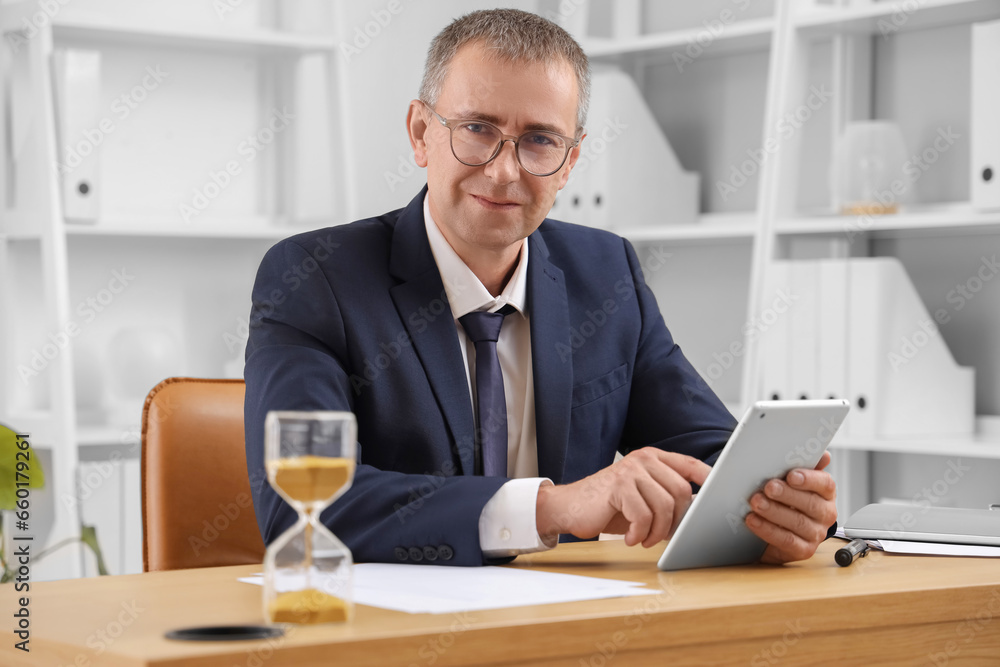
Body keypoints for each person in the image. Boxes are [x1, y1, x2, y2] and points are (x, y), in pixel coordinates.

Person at [244, 8, 837, 567]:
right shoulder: (314, 277)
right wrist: (551, 507)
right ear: (421, 132)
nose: (505, 171)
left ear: (571, 161)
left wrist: (769, 508)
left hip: (572, 622)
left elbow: (708, 452)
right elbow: (301, 508)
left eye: (540, 140)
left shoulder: (606, 273)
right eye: (477, 129)